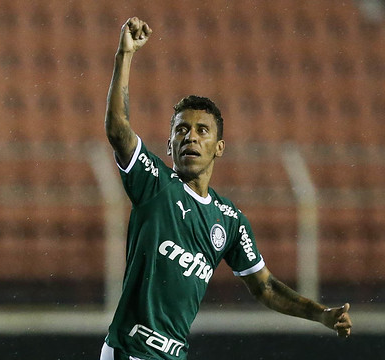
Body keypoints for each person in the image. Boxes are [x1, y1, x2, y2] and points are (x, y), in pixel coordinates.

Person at [101, 17, 352, 360]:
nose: (190, 136)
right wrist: (124, 56)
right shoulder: (155, 183)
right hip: (131, 351)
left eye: (202, 130)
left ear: (219, 146)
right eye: (181, 130)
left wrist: (321, 315)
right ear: (170, 144)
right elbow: (118, 130)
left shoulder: (229, 220)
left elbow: (265, 287)